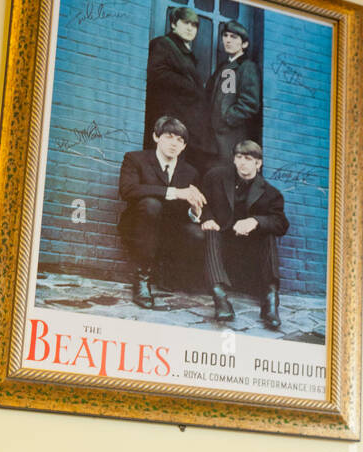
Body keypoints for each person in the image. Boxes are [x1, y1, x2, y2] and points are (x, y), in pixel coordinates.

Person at [118, 116, 205, 309]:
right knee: (151, 204)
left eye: (180, 140)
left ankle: (169, 271)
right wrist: (174, 192)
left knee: (197, 232)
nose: (174, 144)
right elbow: (128, 190)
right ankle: (142, 278)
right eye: (169, 137)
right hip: (138, 228)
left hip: (168, 233)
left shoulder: (190, 172)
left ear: (183, 147)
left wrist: (194, 210)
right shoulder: (135, 159)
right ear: (156, 137)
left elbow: (186, 214)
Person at [201, 139, 289, 328]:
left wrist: (255, 221)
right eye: (239, 157)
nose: (242, 162)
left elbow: (281, 224)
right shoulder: (216, 176)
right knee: (211, 230)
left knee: (268, 234)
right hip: (220, 245)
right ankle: (220, 298)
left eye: (248, 158)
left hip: (248, 252)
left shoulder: (271, 193)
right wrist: (207, 218)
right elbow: (203, 201)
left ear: (258, 163)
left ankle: (270, 301)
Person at [144, 7, 210, 164]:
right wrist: (188, 86)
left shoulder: (186, 53)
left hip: (183, 122)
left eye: (194, 25)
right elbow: (157, 73)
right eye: (186, 23)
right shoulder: (163, 44)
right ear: (173, 24)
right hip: (169, 119)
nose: (190, 28)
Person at [206, 21, 261, 167]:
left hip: (231, 138)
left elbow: (249, 104)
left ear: (244, 44)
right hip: (213, 140)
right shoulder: (224, 67)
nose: (228, 40)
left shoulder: (247, 67)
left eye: (234, 37)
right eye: (225, 35)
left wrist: (226, 120)